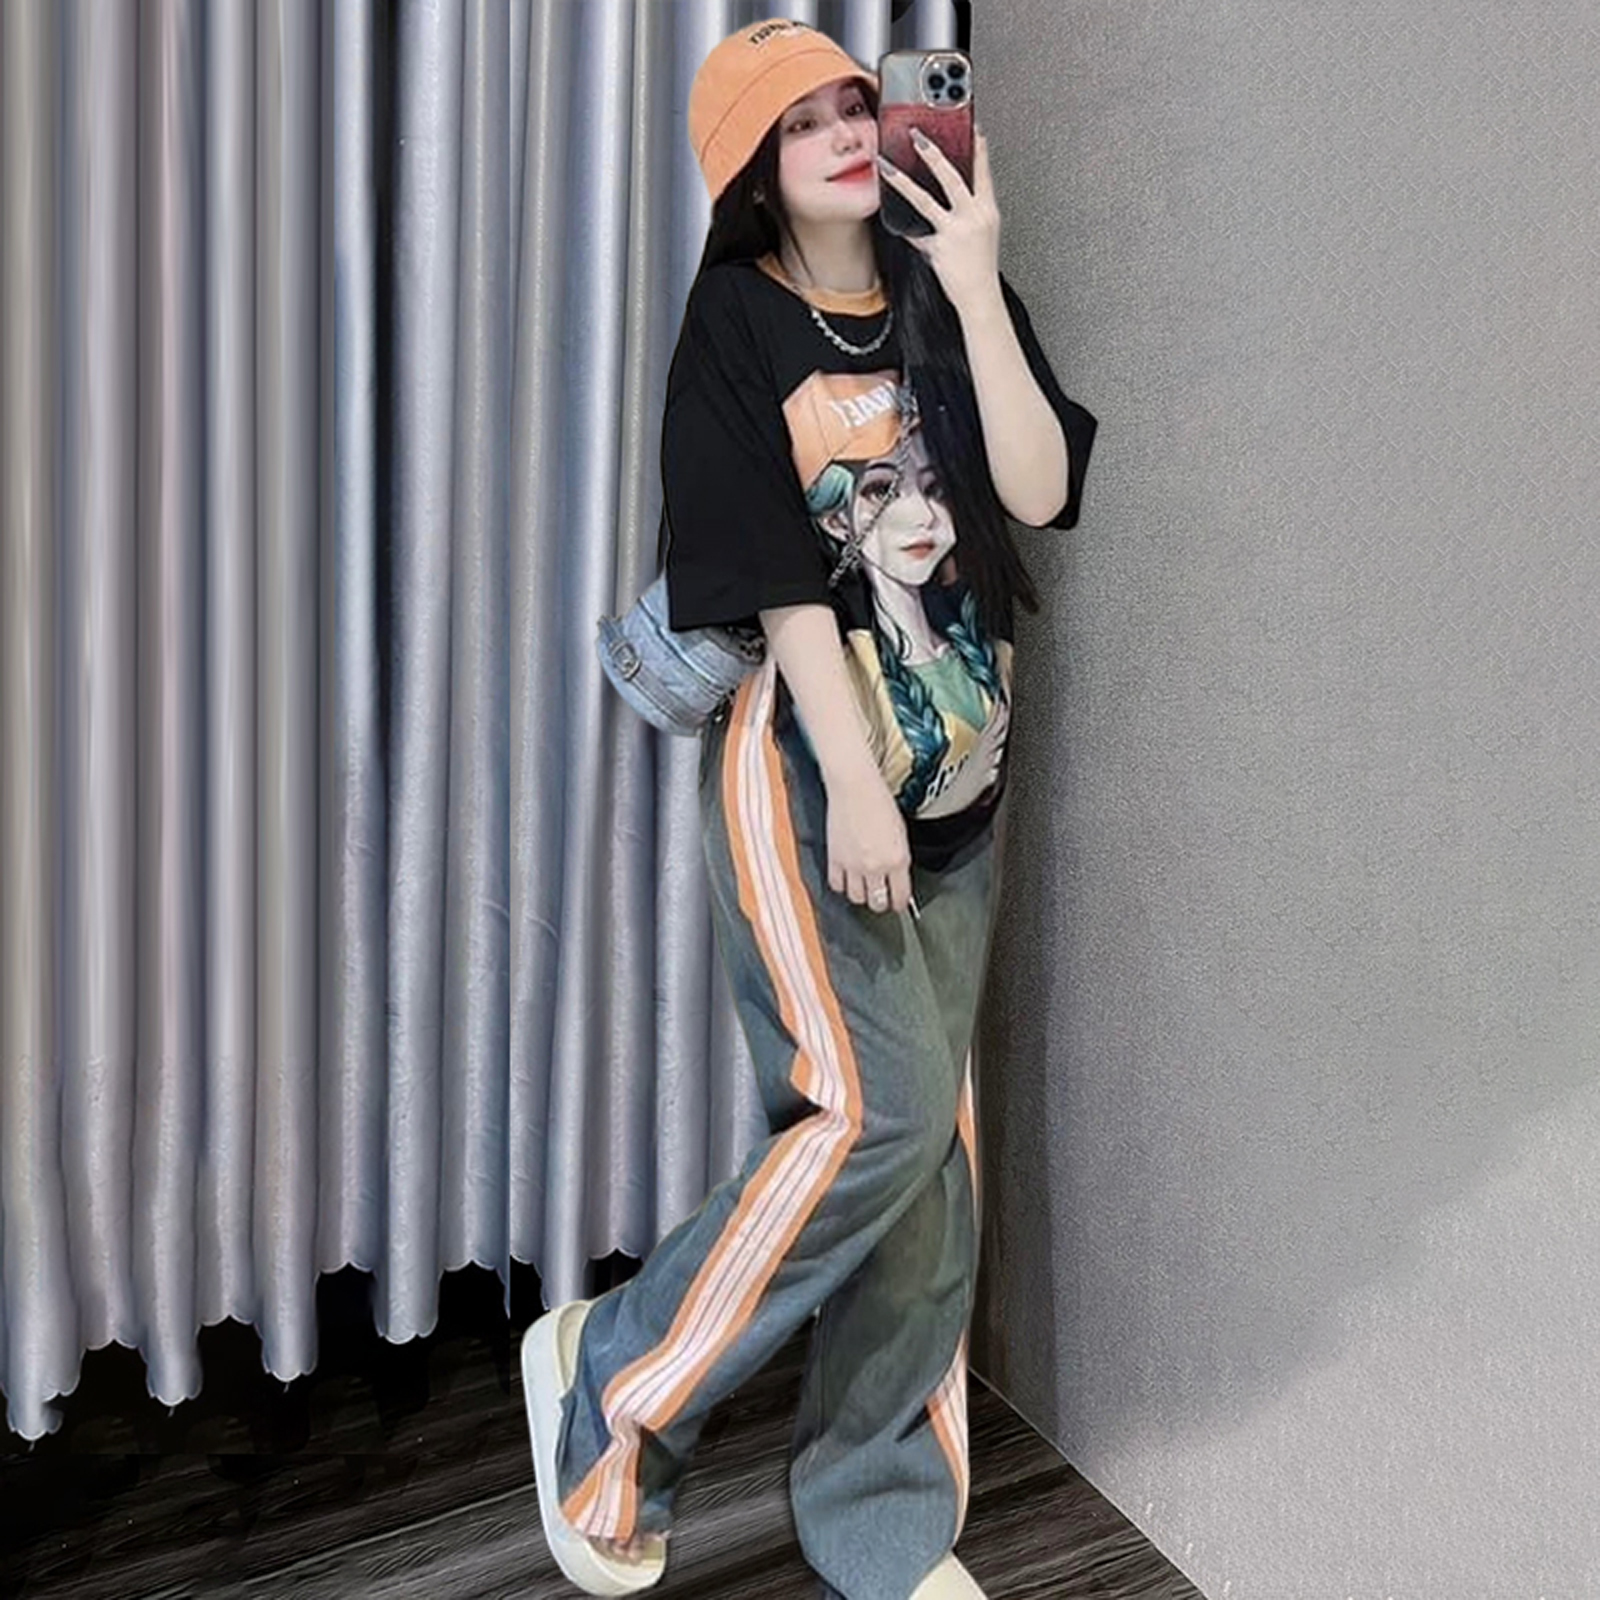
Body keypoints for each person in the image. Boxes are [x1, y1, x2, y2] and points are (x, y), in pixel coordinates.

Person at [522, 18, 1097, 1600]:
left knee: (928, 1165)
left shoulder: (940, 285)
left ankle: (884, 1530)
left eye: (859, 103)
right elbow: (778, 583)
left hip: (962, 780)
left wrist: (974, 280)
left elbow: (1041, 490)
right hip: (813, 782)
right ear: (753, 171)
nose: (848, 132)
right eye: (805, 122)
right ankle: (614, 1375)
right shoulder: (736, 321)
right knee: (876, 1116)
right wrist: (850, 788)